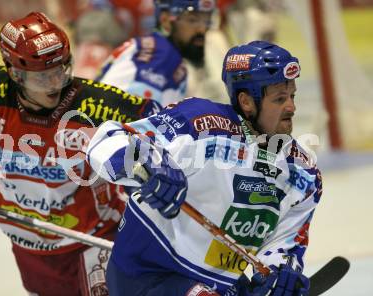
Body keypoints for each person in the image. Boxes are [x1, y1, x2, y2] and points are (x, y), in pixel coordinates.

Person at [0, 12, 160, 296]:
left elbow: (162, 128)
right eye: (42, 78)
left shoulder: (97, 107)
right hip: (27, 246)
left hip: (92, 241)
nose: (55, 84)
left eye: (61, 71)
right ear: (15, 73)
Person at [86, 40, 322, 295]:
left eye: (292, 96)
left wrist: (281, 271)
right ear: (246, 102)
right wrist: (149, 165)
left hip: (216, 281)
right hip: (148, 273)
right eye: (279, 99)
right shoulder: (198, 123)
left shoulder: (303, 175)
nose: (292, 107)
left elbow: (283, 246)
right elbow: (106, 138)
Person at [96, 0, 217, 106]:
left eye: (207, 20)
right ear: (165, 20)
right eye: (192, 20)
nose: (202, 29)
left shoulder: (158, 50)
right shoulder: (161, 54)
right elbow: (125, 115)